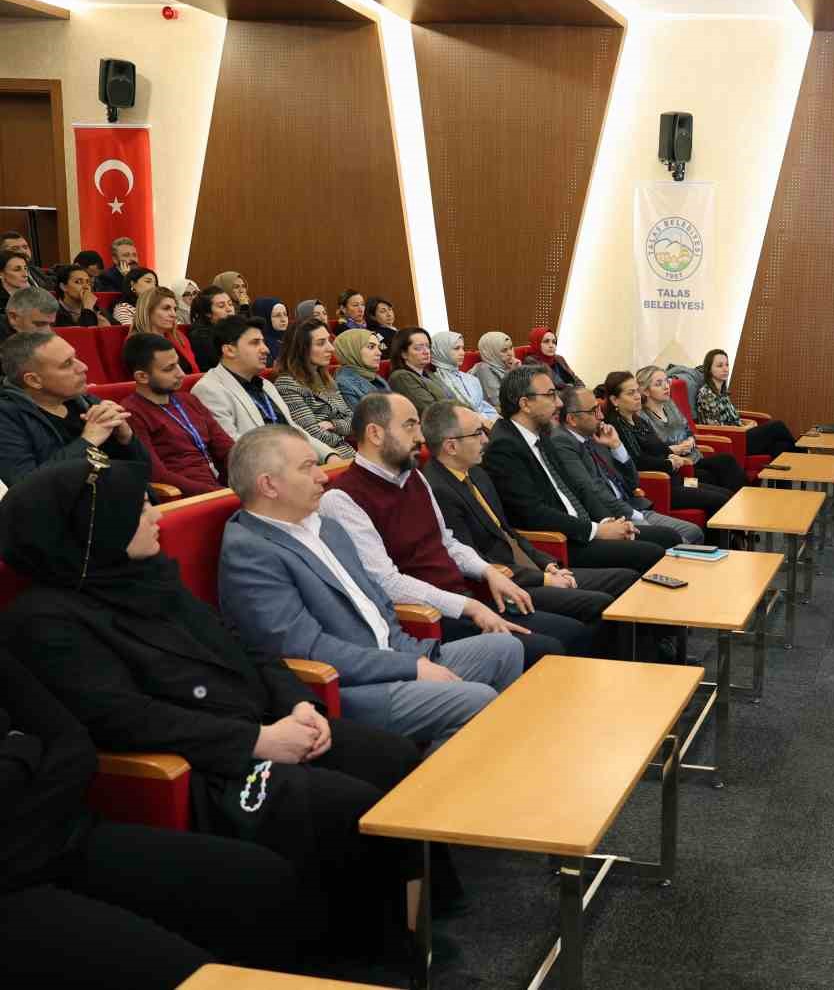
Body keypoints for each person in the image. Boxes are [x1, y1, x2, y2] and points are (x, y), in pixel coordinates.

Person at [0, 458, 431, 954]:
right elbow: (124, 718)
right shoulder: (46, 621)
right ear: (95, 529)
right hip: (206, 762)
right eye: (139, 509)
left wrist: (298, 704)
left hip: (264, 721)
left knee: (395, 756)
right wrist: (255, 741)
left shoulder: (148, 576)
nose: (157, 517)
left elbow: (246, 647)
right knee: (348, 804)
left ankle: (421, 918)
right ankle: (372, 947)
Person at [0, 644, 299, 990]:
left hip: (52, 833)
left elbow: (73, 745)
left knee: (263, 879)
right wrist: (26, 751)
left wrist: (20, 760)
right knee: (192, 976)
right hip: (13, 881)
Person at [219, 424, 523, 747]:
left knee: (505, 649)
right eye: (307, 467)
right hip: (350, 686)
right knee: (475, 699)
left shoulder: (327, 527)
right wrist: (409, 667)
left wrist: (411, 656)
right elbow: (306, 648)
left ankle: (495, 753)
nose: (323, 477)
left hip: (395, 655)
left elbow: (379, 603)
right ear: (268, 485)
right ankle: (447, 775)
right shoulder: (249, 552)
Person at [319, 393, 582, 669]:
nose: (420, 437)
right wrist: (468, 606)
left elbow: (447, 542)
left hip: (464, 598)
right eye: (410, 425)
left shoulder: (414, 477)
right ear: (375, 433)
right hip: (426, 620)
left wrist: (488, 571)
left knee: (573, 631)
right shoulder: (342, 499)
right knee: (550, 649)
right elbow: (387, 583)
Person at [421, 399, 637, 629]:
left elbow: (508, 531)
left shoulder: (476, 473)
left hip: (528, 569)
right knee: (600, 604)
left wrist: (546, 564)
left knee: (626, 579)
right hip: (503, 585)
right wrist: (544, 579)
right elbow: (475, 561)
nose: (485, 440)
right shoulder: (438, 491)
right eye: (477, 434)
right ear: (451, 447)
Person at [484, 365, 667, 574]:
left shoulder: (541, 435)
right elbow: (533, 513)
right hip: (560, 542)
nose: (559, 403)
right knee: (651, 552)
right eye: (551, 395)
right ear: (525, 404)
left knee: (665, 537)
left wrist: (607, 521)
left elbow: (575, 488)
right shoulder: (504, 447)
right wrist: (597, 530)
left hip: (582, 528)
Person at [551, 385, 701, 545]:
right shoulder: (563, 443)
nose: (601, 416)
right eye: (594, 410)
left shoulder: (596, 436)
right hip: (614, 519)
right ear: (572, 419)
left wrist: (617, 446)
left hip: (632, 506)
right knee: (676, 540)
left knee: (694, 532)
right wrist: (634, 515)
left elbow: (632, 482)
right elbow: (591, 489)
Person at [0, 332, 148, 488]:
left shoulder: (86, 401)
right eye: (67, 364)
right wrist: (88, 441)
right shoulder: (7, 418)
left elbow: (144, 471)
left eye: (75, 357)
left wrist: (126, 439)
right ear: (34, 380)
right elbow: (26, 489)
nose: (84, 367)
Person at [192, 315, 341, 461]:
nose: (266, 349)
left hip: (294, 460)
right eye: (255, 343)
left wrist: (328, 455)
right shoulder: (209, 390)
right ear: (229, 350)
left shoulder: (265, 384)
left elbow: (293, 429)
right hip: (263, 469)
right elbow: (233, 448)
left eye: (263, 342)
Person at [600, 371, 732, 519]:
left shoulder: (638, 420)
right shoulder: (615, 427)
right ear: (615, 400)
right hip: (661, 487)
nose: (638, 396)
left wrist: (672, 455)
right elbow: (637, 461)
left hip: (678, 480)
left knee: (726, 494)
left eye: (637, 391)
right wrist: (669, 463)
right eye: (631, 393)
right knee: (721, 500)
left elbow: (660, 447)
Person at [121, 332, 233, 497]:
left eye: (178, 364)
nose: (181, 373)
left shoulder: (189, 400)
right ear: (142, 377)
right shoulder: (132, 413)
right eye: (169, 368)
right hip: (187, 498)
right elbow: (158, 475)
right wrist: (220, 494)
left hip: (222, 489)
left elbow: (226, 448)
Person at [636, 364, 745, 491]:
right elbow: (653, 452)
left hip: (695, 459)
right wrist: (674, 450)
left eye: (666, 381)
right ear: (646, 391)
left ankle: (749, 496)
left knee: (726, 460)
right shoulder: (642, 417)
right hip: (680, 474)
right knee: (712, 478)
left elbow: (688, 430)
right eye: (658, 384)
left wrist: (691, 440)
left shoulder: (669, 404)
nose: (666, 386)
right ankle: (734, 499)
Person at [273, 320, 356, 459]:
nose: (331, 348)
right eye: (321, 343)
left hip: (347, 452)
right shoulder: (287, 385)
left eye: (328, 341)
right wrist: (342, 435)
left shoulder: (325, 379)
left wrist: (333, 425)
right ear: (301, 349)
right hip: (323, 458)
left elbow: (354, 421)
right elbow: (312, 434)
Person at [696, 348, 798, 458]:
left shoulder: (722, 392)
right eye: (720, 366)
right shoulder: (706, 394)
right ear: (709, 369)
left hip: (740, 434)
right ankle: (803, 453)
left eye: (727, 365)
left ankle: (793, 465)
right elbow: (717, 429)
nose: (725, 369)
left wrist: (749, 424)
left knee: (781, 446)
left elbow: (734, 420)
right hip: (731, 440)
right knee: (777, 426)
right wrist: (745, 428)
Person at [431, 330, 496, 421]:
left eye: (462, 348)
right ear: (442, 351)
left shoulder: (471, 379)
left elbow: (483, 407)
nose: (462, 353)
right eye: (456, 348)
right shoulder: (435, 380)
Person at [130, 286, 197, 373]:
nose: (173, 314)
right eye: (166, 308)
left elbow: (195, 371)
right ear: (147, 311)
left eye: (174, 309)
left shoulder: (179, 337)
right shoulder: (136, 343)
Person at [387, 326, 451, 415]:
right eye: (418, 348)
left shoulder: (428, 373)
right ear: (403, 354)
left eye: (428, 346)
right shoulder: (401, 377)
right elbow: (432, 411)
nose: (426, 351)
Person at [334, 327, 390, 410]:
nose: (379, 353)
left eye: (378, 347)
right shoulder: (343, 384)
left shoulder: (372, 376)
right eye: (371, 347)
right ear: (352, 350)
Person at [187, 285, 236, 372]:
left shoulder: (230, 327)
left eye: (230, 304)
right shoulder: (201, 336)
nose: (229, 309)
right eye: (221, 306)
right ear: (208, 313)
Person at [53, 264, 106, 328]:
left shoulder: (96, 308)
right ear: (63, 287)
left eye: (88, 282)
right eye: (78, 282)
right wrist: (88, 309)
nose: (86, 287)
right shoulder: (54, 313)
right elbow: (83, 333)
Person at [472, 331, 517, 402]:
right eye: (504, 350)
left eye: (511, 348)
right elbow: (497, 402)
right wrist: (514, 374)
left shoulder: (510, 366)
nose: (510, 353)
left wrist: (518, 371)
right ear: (490, 352)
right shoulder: (484, 369)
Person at [252, 297, 290, 361]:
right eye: (277, 315)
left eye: (285, 314)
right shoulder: (261, 345)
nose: (283, 319)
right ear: (265, 318)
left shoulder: (292, 338)